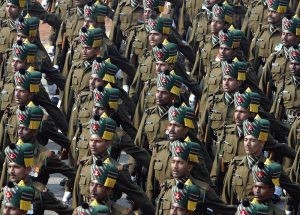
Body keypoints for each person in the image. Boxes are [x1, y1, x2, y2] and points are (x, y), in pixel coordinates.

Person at [72, 114, 155, 214]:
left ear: (108, 143)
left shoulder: (115, 169)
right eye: (91, 140)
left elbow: (138, 196)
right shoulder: (84, 164)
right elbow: (76, 195)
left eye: (98, 141)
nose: (93, 144)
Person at [222, 116, 300, 205]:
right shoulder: (236, 164)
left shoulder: (270, 168)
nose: (247, 144)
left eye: (252, 140)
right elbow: (226, 195)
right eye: (245, 140)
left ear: (262, 143)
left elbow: (293, 190)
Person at [156, 139, 237, 215]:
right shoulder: (167, 187)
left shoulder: (202, 190)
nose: (175, 167)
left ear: (190, 167)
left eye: (180, 163)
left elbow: (225, 209)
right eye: (173, 162)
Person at [1, 142, 73, 214]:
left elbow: (66, 211)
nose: (11, 171)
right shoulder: (5, 191)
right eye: (9, 167)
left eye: (16, 167)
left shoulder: (39, 192)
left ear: (28, 169)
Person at [259, 15, 300, 101]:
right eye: (283, 34)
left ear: (297, 38)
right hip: (273, 99)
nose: (284, 38)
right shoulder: (274, 57)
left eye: (289, 35)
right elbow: (263, 83)